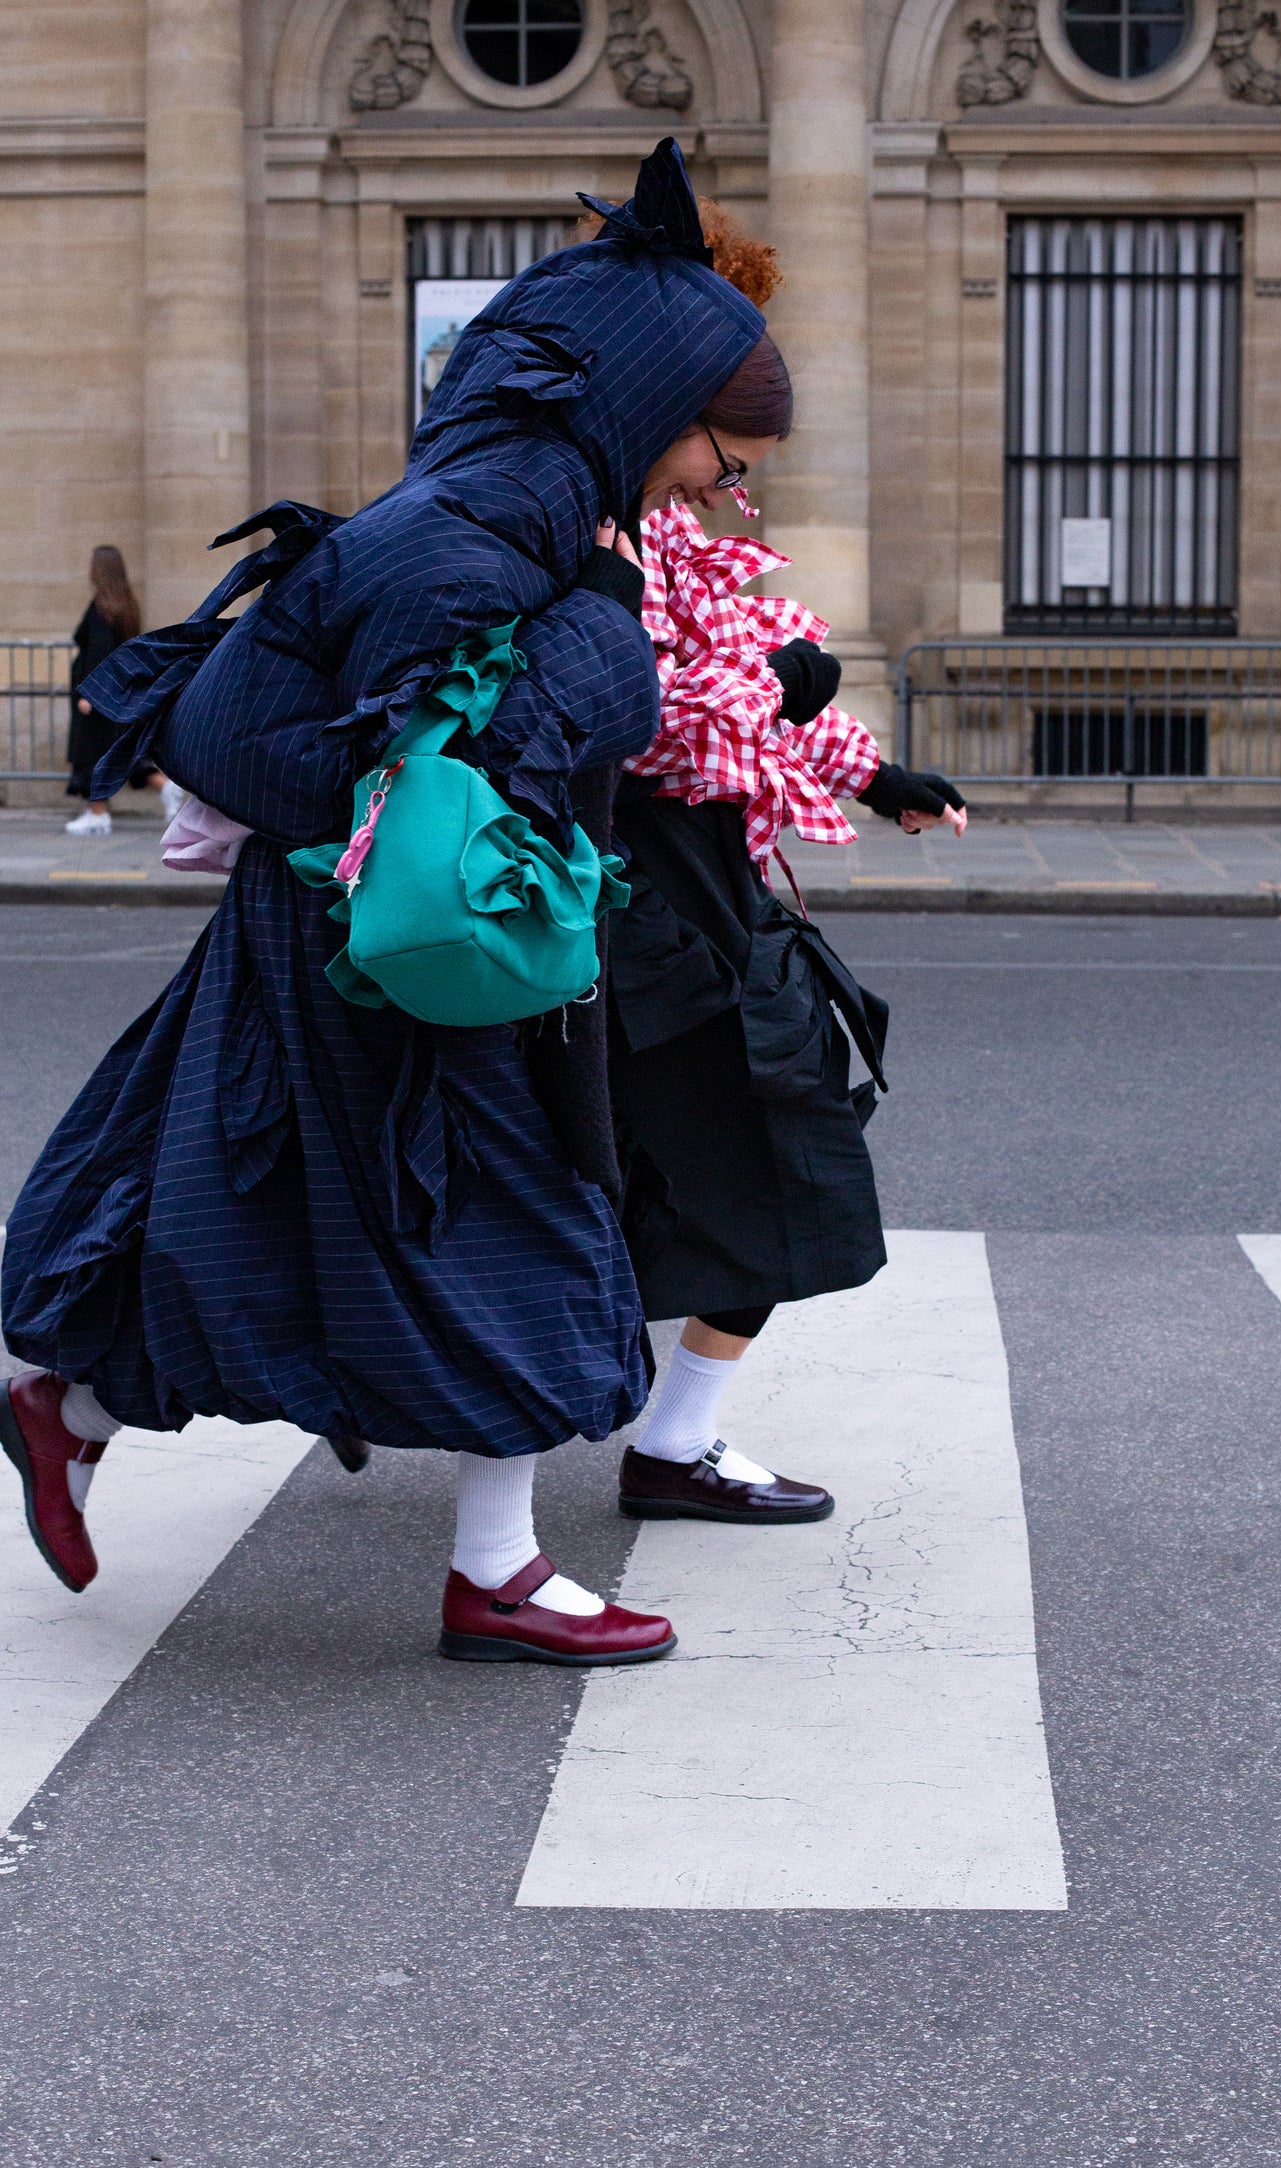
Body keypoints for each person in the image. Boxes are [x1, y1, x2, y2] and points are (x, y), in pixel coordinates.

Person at [0, 139, 787, 1669]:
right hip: (410, 958)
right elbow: (330, 742)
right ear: (643, 403)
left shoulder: (534, 516)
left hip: (396, 944)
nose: (726, 481)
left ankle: (70, 1406)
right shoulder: (477, 528)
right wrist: (603, 650)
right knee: (527, 1223)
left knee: (279, 1221)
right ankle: (494, 1570)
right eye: (719, 445)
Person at [600, 210, 968, 1527]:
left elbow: (753, 681)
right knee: (766, 1170)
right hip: (634, 915)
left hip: (689, 902)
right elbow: (637, 709)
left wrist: (875, 776)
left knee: (752, 1171)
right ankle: (93, 1395)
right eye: (728, 460)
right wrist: (768, 679)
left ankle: (665, 1441)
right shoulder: (574, 522)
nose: (733, 489)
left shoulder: (661, 520)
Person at [64, 545, 183, 836]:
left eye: (91, 561)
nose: (87, 565)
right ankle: (165, 787)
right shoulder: (124, 604)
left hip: (98, 697)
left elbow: (99, 653)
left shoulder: (102, 609)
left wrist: (89, 694)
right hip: (115, 692)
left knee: (93, 753)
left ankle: (98, 814)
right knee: (118, 753)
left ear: (100, 568)